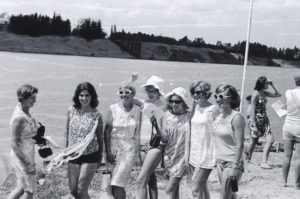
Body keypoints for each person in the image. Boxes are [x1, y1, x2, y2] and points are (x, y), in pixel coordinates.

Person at [65, 82, 103, 199]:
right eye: (81, 95)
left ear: (92, 97)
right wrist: (65, 152)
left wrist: (100, 157)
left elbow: (100, 137)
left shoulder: (97, 115)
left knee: (81, 189)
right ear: (77, 96)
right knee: (73, 191)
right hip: (73, 154)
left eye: (87, 95)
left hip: (90, 154)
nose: (84, 98)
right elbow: (67, 131)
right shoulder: (71, 111)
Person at [104, 83, 142, 199]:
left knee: (118, 181)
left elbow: (138, 133)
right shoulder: (113, 109)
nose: (124, 95)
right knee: (113, 182)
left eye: (127, 92)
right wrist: (108, 152)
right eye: (121, 92)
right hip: (113, 148)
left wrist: (138, 153)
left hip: (129, 149)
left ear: (133, 94)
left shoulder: (138, 110)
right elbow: (106, 132)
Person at [187, 81, 220, 199]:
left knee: (195, 189)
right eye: (193, 92)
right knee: (203, 187)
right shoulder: (195, 108)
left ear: (206, 93)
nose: (195, 95)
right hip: (195, 154)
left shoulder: (213, 109)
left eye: (198, 92)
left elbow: (220, 131)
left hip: (208, 153)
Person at [212, 84, 245, 199]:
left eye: (221, 96)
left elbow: (240, 144)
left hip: (232, 163)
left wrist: (234, 168)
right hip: (220, 162)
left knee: (223, 197)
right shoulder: (219, 117)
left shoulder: (236, 117)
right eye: (215, 96)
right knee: (231, 196)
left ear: (231, 98)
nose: (217, 99)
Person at [136, 75, 165, 199]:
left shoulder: (164, 105)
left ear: (159, 92)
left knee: (141, 179)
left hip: (156, 145)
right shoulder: (144, 104)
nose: (149, 93)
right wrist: (132, 81)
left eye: (152, 90)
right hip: (143, 144)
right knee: (150, 178)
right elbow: (128, 96)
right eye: (148, 90)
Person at [8, 84, 39, 199]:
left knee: (21, 187)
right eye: (32, 98)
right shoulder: (19, 118)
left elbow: (26, 134)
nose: (35, 101)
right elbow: (14, 145)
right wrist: (27, 163)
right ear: (23, 98)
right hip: (21, 157)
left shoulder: (26, 112)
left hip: (27, 154)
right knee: (29, 190)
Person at [246, 76, 281, 169]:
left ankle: (264, 162)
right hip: (256, 120)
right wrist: (254, 125)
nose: (267, 85)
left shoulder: (264, 93)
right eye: (266, 84)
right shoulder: (255, 94)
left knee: (270, 140)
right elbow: (252, 111)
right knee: (254, 141)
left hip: (265, 120)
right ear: (262, 84)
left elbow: (278, 95)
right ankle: (247, 159)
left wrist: (272, 85)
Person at [282, 74, 300, 189]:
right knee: (298, 157)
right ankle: (297, 184)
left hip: (288, 125)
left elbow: (286, 106)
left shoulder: (288, 92)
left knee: (286, 156)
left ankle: (284, 181)